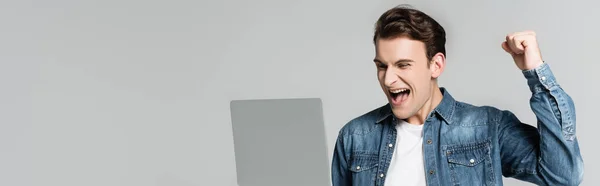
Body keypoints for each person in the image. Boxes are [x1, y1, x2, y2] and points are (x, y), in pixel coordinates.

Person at [331, 5, 584, 186]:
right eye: (382, 65)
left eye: (403, 65)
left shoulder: (487, 127)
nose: (388, 79)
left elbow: (562, 176)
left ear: (436, 65)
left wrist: (536, 71)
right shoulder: (355, 137)